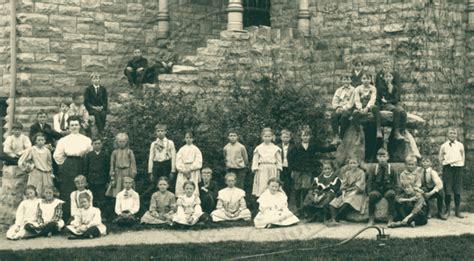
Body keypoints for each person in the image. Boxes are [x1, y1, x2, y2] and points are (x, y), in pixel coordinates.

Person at [53, 115, 93, 221]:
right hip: (68, 165)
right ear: (69, 127)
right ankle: (67, 218)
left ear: (80, 126)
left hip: (82, 164)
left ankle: (83, 217)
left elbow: (90, 153)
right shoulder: (63, 140)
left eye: (76, 125)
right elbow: (57, 155)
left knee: (82, 189)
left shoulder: (86, 140)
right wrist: (65, 165)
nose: (74, 127)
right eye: (72, 125)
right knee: (67, 191)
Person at [288, 126, 337, 209]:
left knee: (306, 188)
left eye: (307, 136)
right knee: (297, 189)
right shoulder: (296, 147)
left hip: (307, 170)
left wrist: (334, 146)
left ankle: (304, 207)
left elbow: (323, 149)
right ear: (301, 137)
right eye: (303, 136)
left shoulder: (312, 146)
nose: (305, 137)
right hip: (297, 170)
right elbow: (290, 159)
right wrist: (292, 170)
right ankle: (298, 208)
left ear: (309, 136)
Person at [329, 158, 367, 224]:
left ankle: (336, 219)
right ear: (349, 164)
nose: (353, 165)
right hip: (347, 191)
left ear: (358, 164)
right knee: (334, 202)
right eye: (351, 163)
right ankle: (334, 219)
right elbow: (344, 184)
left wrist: (352, 193)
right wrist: (343, 193)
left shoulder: (361, 173)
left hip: (357, 192)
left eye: (354, 163)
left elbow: (360, 184)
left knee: (348, 201)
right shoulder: (347, 173)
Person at [367, 148, 398, 226]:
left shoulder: (392, 168)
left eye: (384, 156)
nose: (382, 159)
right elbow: (370, 181)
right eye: (380, 157)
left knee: (391, 195)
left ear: (388, 157)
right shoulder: (374, 168)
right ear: (377, 158)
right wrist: (369, 192)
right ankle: (371, 219)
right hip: (377, 189)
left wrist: (396, 192)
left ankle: (390, 219)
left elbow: (396, 182)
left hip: (388, 189)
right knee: (372, 196)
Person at [439, 128, 465, 218]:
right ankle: (447, 211)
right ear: (447, 134)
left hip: (458, 168)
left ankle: (457, 211)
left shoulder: (460, 145)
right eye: (451, 133)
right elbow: (440, 157)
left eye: (454, 133)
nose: (452, 135)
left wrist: (461, 165)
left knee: (457, 189)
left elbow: (462, 156)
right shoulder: (443, 146)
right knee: (448, 189)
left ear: (457, 135)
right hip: (448, 168)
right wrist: (445, 164)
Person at [145, 124, 176, 199]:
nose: (160, 133)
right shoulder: (154, 144)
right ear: (156, 132)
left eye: (162, 131)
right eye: (158, 131)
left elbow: (174, 157)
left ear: (165, 132)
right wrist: (150, 171)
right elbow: (151, 157)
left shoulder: (170, 143)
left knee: (167, 184)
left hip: (166, 165)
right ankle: (156, 202)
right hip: (156, 166)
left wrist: (173, 170)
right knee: (155, 185)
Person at [251, 128, 282, 197]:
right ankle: (262, 203)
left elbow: (279, 160)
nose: (267, 138)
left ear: (272, 137)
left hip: (272, 168)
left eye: (269, 136)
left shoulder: (275, 148)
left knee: (273, 184)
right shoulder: (258, 148)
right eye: (265, 136)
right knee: (263, 185)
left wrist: (278, 169)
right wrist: (255, 169)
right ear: (262, 137)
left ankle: (273, 201)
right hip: (262, 169)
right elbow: (255, 159)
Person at [83, 137, 110, 216]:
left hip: (102, 180)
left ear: (101, 145)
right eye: (95, 144)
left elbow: (107, 168)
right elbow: (86, 168)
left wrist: (108, 181)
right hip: (91, 180)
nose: (97, 145)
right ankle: (92, 214)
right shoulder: (89, 155)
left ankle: (102, 215)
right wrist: (86, 181)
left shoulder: (105, 154)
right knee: (92, 197)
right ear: (92, 145)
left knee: (102, 198)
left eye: (99, 143)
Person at [106, 133, 137, 197]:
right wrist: (112, 177)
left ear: (126, 142)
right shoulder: (115, 152)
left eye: (123, 142)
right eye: (120, 142)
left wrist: (132, 174)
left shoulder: (129, 152)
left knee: (128, 192)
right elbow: (112, 165)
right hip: (118, 174)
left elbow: (133, 164)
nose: (121, 143)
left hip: (127, 173)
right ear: (117, 142)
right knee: (118, 192)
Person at [352, 73, 382, 138]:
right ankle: (358, 134)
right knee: (355, 114)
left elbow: (372, 99)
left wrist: (367, 108)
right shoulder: (358, 88)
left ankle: (378, 129)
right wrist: (360, 108)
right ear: (361, 80)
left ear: (371, 80)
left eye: (368, 79)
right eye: (364, 79)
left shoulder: (373, 88)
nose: (366, 80)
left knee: (376, 108)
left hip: (369, 106)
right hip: (361, 107)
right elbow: (357, 100)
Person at [175, 131, 203, 196]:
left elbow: (199, 161)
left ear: (193, 139)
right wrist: (184, 170)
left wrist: (190, 168)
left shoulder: (196, 149)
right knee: (182, 187)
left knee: (193, 186)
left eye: (190, 138)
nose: (188, 139)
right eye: (187, 137)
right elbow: (178, 161)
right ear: (184, 139)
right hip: (183, 171)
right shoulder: (181, 149)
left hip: (193, 171)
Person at [331, 73, 355, 143]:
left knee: (344, 117)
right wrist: (337, 107)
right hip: (339, 108)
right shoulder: (339, 90)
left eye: (348, 79)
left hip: (349, 108)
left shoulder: (353, 90)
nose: (346, 81)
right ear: (341, 81)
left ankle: (341, 137)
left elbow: (351, 102)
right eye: (344, 79)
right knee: (333, 116)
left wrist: (343, 108)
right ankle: (336, 136)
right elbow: (334, 101)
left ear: (351, 81)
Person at [277, 129, 294, 199]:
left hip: (289, 168)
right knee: (280, 184)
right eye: (284, 137)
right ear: (281, 137)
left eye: (287, 137)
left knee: (288, 185)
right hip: (280, 168)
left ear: (290, 138)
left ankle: (287, 200)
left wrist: (293, 169)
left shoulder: (293, 147)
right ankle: (279, 199)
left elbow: (295, 159)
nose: (285, 139)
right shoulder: (277, 146)